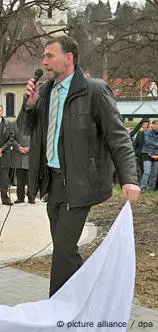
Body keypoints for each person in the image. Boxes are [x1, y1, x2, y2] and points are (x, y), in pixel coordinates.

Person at [23, 35, 140, 298]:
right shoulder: (45, 92)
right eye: (44, 57)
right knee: (65, 250)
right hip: (51, 182)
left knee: (63, 247)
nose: (44, 62)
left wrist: (129, 178)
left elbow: (118, 136)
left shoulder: (95, 91)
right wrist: (29, 107)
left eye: (49, 56)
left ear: (69, 58)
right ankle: (88, 297)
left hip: (79, 182)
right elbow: (25, 130)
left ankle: (55, 310)